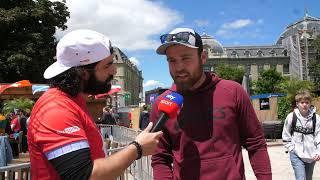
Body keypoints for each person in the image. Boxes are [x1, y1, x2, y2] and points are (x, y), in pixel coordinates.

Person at [27, 29, 163, 180]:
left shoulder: (73, 101)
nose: (114, 70)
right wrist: (137, 148)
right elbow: (84, 176)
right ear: (83, 74)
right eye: (107, 65)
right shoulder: (56, 109)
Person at [150, 27, 272, 180]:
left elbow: (256, 144)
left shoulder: (233, 92)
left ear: (203, 57)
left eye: (186, 58)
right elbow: (160, 158)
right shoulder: (162, 104)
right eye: (172, 60)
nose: (179, 67)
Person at [282, 90, 320, 180]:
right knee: (301, 178)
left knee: (308, 178)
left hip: (311, 156)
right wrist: (291, 149)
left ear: (310, 103)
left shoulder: (316, 118)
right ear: (297, 103)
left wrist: (318, 151)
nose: (304, 105)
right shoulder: (291, 117)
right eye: (302, 102)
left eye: (307, 102)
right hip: (296, 154)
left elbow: (319, 136)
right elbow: (286, 135)